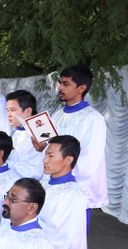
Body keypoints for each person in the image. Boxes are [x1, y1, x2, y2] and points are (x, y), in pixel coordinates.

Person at [50, 64, 108, 227]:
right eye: (60, 83)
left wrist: (64, 178)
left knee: (73, 236)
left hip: (75, 187)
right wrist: (41, 148)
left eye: (66, 84)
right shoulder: (57, 114)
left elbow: (90, 159)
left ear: (81, 88)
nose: (60, 87)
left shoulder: (93, 118)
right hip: (53, 184)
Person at [6, 90, 44, 179]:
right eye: (7, 110)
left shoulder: (41, 132)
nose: (8, 115)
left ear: (27, 111)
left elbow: (37, 171)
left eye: (12, 110)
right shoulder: (15, 132)